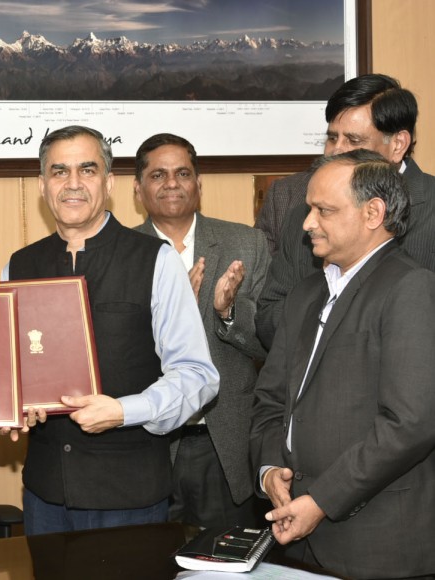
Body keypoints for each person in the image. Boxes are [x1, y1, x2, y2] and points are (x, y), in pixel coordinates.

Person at [6, 125, 219, 535]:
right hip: (45, 494)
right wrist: (8, 406)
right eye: (59, 171)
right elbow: (11, 372)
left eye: (87, 170)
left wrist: (125, 411)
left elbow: (198, 376)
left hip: (129, 496)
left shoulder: (156, 260)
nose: (72, 183)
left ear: (108, 183)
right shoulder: (18, 266)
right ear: (42, 185)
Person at [251, 150, 435, 578]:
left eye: (324, 210)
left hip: (378, 546)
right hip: (297, 540)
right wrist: (269, 470)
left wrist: (321, 501)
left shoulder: (410, 287)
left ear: (373, 213)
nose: (307, 223)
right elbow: (270, 398)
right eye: (309, 208)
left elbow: (410, 423)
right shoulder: (304, 294)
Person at [132, 133, 269, 529]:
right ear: (137, 189)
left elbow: (270, 343)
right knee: (150, 555)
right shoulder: (123, 251)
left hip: (223, 443)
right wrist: (173, 316)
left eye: (182, 173)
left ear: (198, 183)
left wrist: (227, 312)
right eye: (158, 175)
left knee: (225, 557)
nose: (171, 183)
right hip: (149, 443)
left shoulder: (246, 243)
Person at [255, 74, 435, 349]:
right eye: (332, 138)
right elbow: (268, 319)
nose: (336, 151)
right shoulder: (303, 213)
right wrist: (324, 312)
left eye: (353, 140)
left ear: (398, 144)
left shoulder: (429, 206)